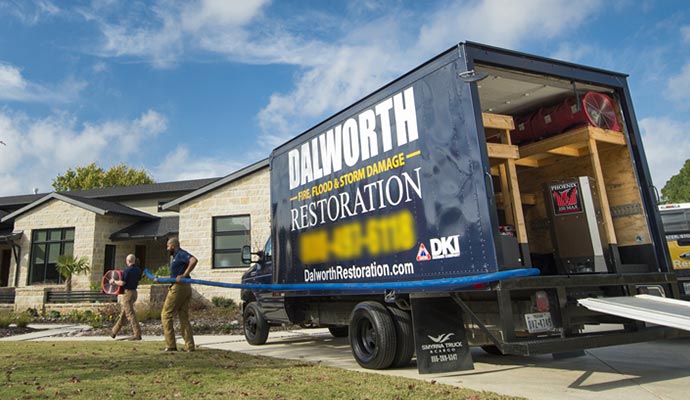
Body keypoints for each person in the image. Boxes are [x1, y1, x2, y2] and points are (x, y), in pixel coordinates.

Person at [158, 238, 197, 352]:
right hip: (184, 287)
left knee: (166, 314)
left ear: (173, 246)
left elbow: (194, 260)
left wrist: (184, 274)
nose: (167, 248)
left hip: (179, 288)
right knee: (183, 315)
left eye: (168, 246)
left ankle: (170, 345)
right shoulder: (175, 257)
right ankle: (189, 346)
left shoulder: (181, 254)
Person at [110, 254, 143, 340]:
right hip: (134, 292)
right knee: (124, 313)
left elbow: (122, 283)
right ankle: (114, 331)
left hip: (127, 293)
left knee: (130, 314)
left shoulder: (127, 271)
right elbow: (138, 280)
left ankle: (137, 334)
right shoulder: (138, 270)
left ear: (127, 261)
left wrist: (114, 281)